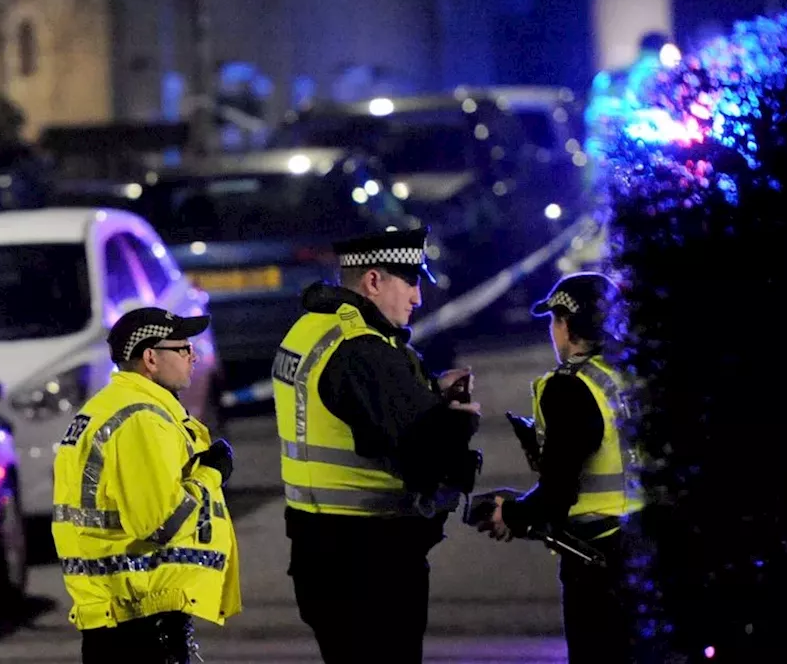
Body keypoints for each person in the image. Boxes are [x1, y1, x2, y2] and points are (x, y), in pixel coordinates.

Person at [273, 227, 483, 663]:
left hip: (318, 547)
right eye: (411, 282)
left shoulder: (311, 327)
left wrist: (425, 390)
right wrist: (457, 421)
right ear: (373, 280)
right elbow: (423, 454)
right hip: (372, 559)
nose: (418, 298)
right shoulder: (364, 349)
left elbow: (351, 412)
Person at [52, 307, 241, 664]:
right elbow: (160, 521)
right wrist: (212, 474)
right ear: (151, 358)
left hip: (122, 616)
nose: (193, 356)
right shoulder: (140, 419)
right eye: (183, 348)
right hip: (139, 622)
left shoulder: (111, 406)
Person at [485, 271, 645, 662]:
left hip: (596, 561)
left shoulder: (570, 387)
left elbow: (558, 489)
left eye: (553, 321)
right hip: (643, 550)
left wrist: (512, 513)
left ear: (565, 324)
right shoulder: (626, 377)